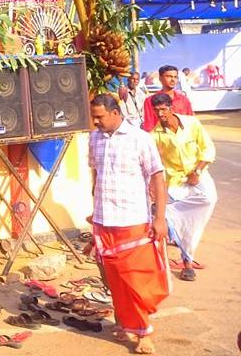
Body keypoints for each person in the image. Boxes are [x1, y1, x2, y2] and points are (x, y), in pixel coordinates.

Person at [89, 93, 169, 354]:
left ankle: (144, 331)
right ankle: (125, 324)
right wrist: (94, 210)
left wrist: (159, 218)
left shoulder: (140, 139)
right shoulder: (94, 138)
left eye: (99, 117)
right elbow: (95, 173)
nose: (96, 122)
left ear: (115, 113)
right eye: (94, 118)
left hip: (132, 219)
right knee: (114, 280)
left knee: (137, 280)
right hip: (104, 220)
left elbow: (158, 177)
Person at [149, 92, 217, 282]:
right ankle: (186, 262)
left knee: (209, 200)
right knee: (161, 215)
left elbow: (207, 148)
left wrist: (197, 171)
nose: (160, 114)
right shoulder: (155, 135)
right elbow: (154, 165)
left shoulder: (192, 124)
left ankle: (179, 234)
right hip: (175, 182)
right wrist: (152, 186)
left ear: (171, 108)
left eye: (163, 109)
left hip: (198, 175)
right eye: (156, 111)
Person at [142, 65, 193, 132]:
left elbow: (191, 122)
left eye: (175, 77)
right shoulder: (150, 101)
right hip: (160, 139)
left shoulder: (183, 100)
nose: (173, 80)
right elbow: (149, 125)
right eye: (169, 76)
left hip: (182, 138)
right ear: (160, 78)